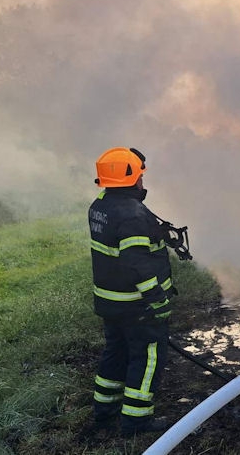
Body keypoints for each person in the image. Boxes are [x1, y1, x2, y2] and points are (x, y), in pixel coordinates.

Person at [88, 147, 176, 436]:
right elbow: (137, 264)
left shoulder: (100, 206)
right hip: (137, 306)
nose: (142, 180)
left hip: (110, 302)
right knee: (147, 357)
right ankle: (136, 421)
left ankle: (105, 411)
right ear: (131, 178)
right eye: (139, 175)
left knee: (115, 353)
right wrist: (157, 300)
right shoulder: (132, 215)